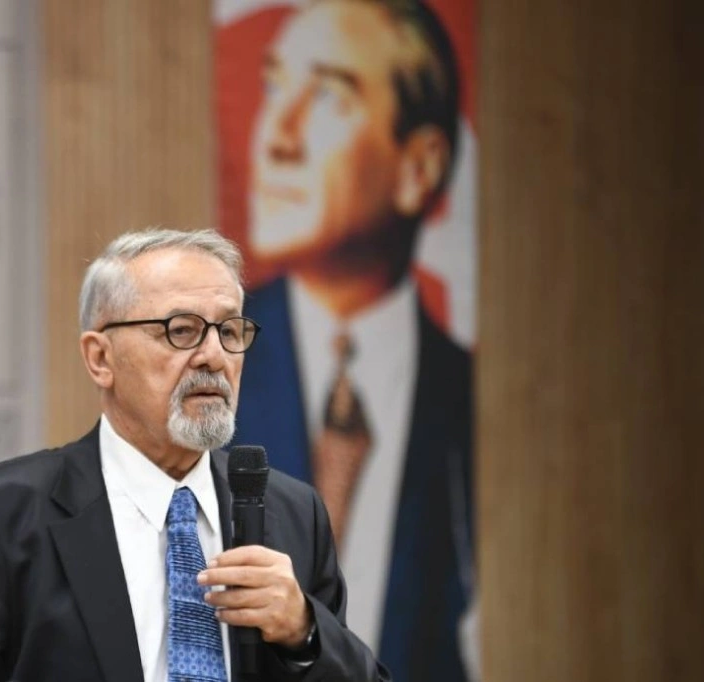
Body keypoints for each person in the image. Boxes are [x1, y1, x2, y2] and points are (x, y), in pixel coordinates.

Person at [0, 229, 388, 681]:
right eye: (181, 330)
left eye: (230, 331)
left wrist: (304, 631)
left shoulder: (294, 514)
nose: (214, 356)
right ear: (100, 358)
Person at [230, 1, 476, 681]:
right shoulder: (208, 369)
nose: (276, 137)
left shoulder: (472, 405)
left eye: (328, 98)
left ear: (419, 167)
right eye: (275, 86)